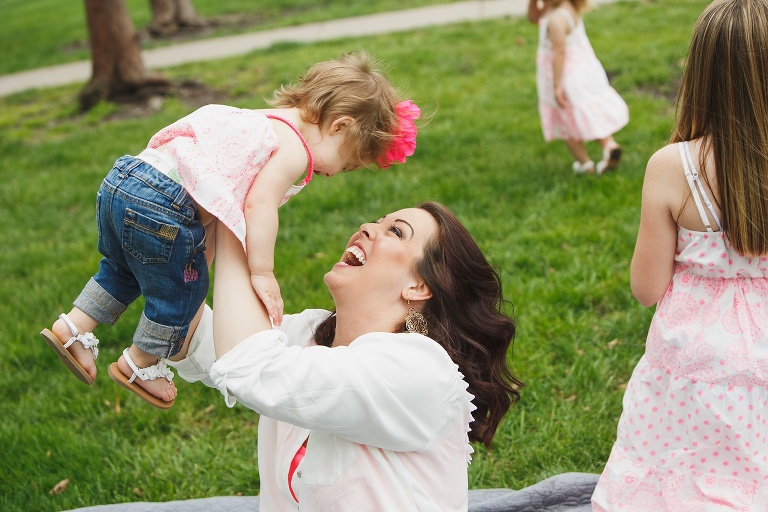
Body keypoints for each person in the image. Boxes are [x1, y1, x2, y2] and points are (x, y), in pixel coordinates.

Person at [39, 51, 421, 409]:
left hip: (123, 182)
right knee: (182, 291)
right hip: (164, 205)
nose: (334, 173)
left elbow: (208, 192)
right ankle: (142, 361)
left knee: (122, 270)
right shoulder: (295, 148)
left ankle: (72, 327)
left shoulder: (252, 120)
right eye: (348, 161)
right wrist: (262, 271)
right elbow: (259, 204)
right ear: (340, 126)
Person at [167, 202, 523, 510]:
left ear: (419, 285)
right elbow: (196, 339)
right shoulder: (310, 335)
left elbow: (250, 368)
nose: (367, 227)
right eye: (378, 221)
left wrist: (235, 226)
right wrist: (170, 248)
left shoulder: (418, 370)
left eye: (396, 232)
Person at [592, 1, 768, 509]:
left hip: (693, 356)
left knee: (679, 467)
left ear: (701, 72)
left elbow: (646, 289)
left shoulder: (674, 166)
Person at [527, 0, 628, 175]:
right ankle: (609, 146)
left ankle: (584, 164)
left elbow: (559, 53)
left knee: (566, 121)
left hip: (563, 77)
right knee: (589, 114)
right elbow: (533, 17)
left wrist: (557, 86)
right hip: (583, 71)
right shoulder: (565, 6)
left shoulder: (556, 19)